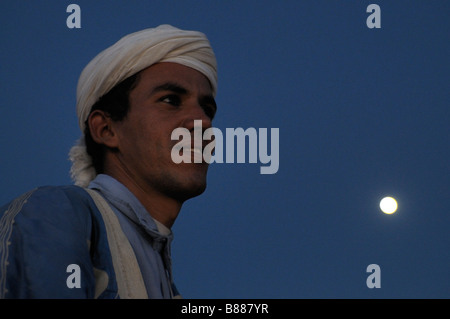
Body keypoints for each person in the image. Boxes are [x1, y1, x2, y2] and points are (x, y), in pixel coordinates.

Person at [0, 24, 218, 299]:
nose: (203, 122)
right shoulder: (54, 214)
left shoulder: (167, 283)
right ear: (106, 129)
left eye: (207, 109)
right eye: (171, 100)